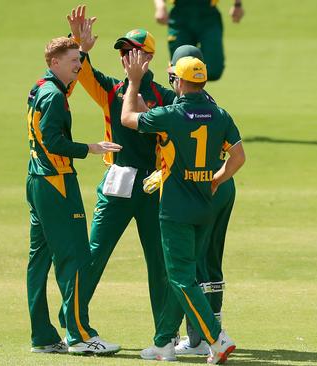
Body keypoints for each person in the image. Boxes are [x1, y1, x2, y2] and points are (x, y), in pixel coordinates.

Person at [121, 51, 245, 364]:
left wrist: (134, 83)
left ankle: (216, 338)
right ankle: (164, 343)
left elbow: (127, 119)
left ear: (180, 82)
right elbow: (239, 157)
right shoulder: (221, 114)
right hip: (205, 206)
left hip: (175, 209)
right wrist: (217, 178)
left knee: (180, 278)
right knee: (185, 277)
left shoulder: (171, 115)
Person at [60, 6, 176, 341]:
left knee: (160, 264)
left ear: (148, 56)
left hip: (154, 187)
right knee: (93, 254)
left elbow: (157, 122)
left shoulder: (165, 97)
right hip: (118, 183)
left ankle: (165, 336)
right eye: (123, 52)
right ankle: (74, 328)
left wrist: (137, 87)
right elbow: (82, 75)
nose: (126, 57)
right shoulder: (111, 90)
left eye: (133, 51)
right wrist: (80, 47)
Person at [25, 36, 121, 355]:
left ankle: (42, 336)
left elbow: (60, 94)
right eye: (72, 62)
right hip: (57, 183)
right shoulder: (54, 95)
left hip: (37, 180)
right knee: (76, 257)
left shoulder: (42, 86)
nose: (78, 67)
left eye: (79, 61)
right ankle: (79, 336)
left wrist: (83, 49)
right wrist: (89, 148)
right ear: (54, 63)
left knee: (39, 261)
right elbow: (53, 140)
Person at [164, 45, 236, 357]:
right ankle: (207, 333)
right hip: (221, 185)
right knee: (210, 262)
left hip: (204, 188)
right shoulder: (211, 105)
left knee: (193, 264)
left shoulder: (186, 105)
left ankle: (200, 339)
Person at [153, 0, 245, 81]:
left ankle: (197, 94)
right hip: (180, 16)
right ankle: (184, 98)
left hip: (208, 15)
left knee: (214, 70)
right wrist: (160, 4)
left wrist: (238, 4)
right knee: (179, 69)